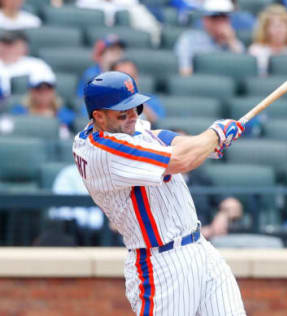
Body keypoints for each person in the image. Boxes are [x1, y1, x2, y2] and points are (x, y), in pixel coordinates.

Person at [73, 71, 245, 315]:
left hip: (200, 249)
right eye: (124, 112)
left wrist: (206, 143)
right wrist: (215, 134)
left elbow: (169, 140)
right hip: (161, 265)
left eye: (136, 107)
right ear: (98, 117)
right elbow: (181, 160)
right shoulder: (102, 151)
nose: (133, 116)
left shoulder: (124, 128)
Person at [174, 0, 245, 76]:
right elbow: (185, 72)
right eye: (215, 17)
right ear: (205, 19)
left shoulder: (232, 41)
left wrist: (231, 41)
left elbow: (244, 68)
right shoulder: (189, 39)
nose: (220, 21)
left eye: (224, 17)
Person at [46, 164, 107, 246]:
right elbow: (62, 211)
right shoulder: (69, 174)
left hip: (108, 236)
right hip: (74, 235)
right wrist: (108, 222)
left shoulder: (111, 175)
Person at [10, 70, 74, 138]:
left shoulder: (65, 114)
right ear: (31, 91)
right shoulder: (18, 112)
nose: (44, 93)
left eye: (48, 89)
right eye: (39, 89)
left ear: (53, 91)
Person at [248, 4, 287, 77]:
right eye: (275, 26)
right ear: (265, 29)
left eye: (283, 26)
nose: (279, 30)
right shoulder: (256, 50)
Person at [110, 58, 166, 124]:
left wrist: (136, 100)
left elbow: (157, 123)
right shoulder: (104, 103)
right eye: (122, 77)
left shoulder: (150, 100)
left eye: (132, 76)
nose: (128, 81)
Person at [0, 30, 54, 96]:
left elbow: (46, 92)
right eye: (5, 44)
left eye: (13, 44)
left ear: (24, 47)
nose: (8, 48)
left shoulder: (37, 65)